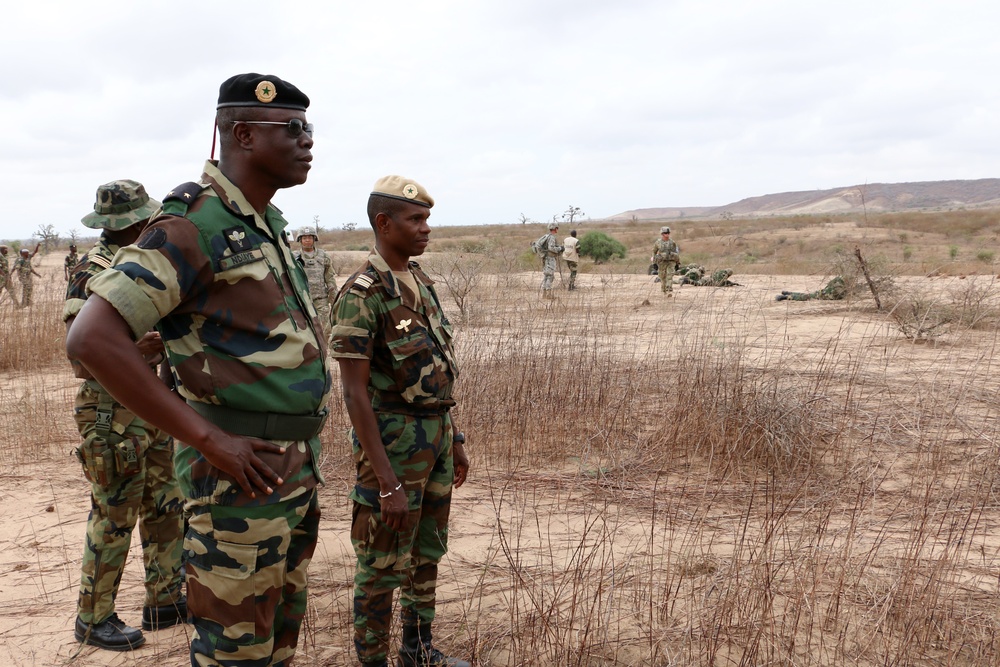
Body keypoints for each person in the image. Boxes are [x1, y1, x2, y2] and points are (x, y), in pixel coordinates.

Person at [65, 73, 330, 667]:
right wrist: (208, 438)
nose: (307, 140)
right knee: (233, 655)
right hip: (236, 482)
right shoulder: (192, 227)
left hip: (288, 472)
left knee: (274, 644)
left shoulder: (268, 226)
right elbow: (92, 339)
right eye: (292, 129)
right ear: (241, 133)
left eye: (309, 128)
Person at [329, 175, 470, 667]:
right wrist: (385, 478)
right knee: (382, 562)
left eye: (427, 218)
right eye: (415, 219)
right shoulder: (362, 294)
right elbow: (353, 392)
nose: (425, 228)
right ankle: (372, 660)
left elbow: (435, 373)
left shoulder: (421, 282)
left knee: (427, 550)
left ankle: (417, 649)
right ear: (384, 224)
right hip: (391, 444)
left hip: (433, 438)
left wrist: (454, 438)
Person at [66, 180, 186, 651]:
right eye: (142, 221)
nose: (149, 226)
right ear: (124, 225)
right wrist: (135, 351)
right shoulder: (92, 271)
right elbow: (79, 357)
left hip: (150, 401)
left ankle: (164, 599)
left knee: (165, 502)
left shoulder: (139, 265)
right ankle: (92, 618)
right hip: (110, 412)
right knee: (115, 512)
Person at [294, 225, 338, 330]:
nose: (307, 240)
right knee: (304, 329)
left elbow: (330, 279)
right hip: (302, 300)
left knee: (326, 329)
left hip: (321, 300)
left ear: (314, 239)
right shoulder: (294, 257)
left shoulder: (324, 256)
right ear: (300, 240)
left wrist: (334, 301)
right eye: (304, 238)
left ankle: (324, 347)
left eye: (310, 237)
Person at [651, 226, 679, 296]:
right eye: (665, 233)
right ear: (662, 234)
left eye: (668, 233)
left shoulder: (672, 242)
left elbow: (676, 253)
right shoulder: (658, 242)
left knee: (670, 275)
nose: (667, 234)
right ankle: (664, 291)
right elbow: (654, 252)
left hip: (671, 261)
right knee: (662, 277)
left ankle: (669, 290)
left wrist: (677, 263)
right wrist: (654, 263)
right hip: (662, 262)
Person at [538, 222, 564, 296]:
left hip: (546, 258)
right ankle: (548, 294)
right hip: (550, 258)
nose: (557, 229)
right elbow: (551, 248)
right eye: (557, 228)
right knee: (550, 276)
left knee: (546, 276)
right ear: (555, 228)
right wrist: (560, 248)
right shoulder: (551, 237)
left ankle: (544, 293)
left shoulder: (546, 236)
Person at [775, 276, 849, 301]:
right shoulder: (841, 285)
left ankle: (787, 296)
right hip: (823, 294)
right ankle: (789, 294)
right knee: (806, 296)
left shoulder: (841, 288)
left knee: (806, 296)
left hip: (823, 295)